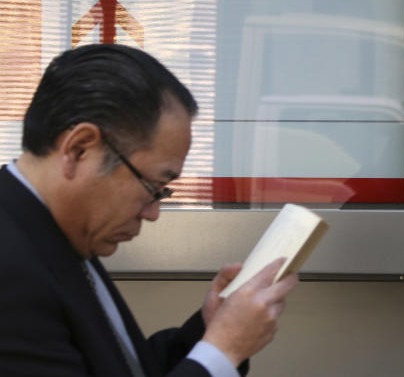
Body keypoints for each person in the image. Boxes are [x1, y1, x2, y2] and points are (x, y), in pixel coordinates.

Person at [0, 43, 299, 376]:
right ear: (80, 149)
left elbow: (121, 365)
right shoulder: (10, 271)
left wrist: (207, 331)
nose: (153, 213)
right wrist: (222, 351)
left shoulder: (58, 230)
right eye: (152, 187)